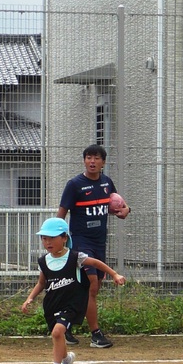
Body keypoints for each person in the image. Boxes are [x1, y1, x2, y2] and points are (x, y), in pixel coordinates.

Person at [21, 218, 126, 364]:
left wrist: (114, 274)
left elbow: (95, 263)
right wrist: (30, 298)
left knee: (57, 332)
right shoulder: (43, 261)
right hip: (52, 305)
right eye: (44, 238)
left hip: (72, 304)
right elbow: (42, 282)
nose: (47, 242)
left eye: (52, 238)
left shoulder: (75, 257)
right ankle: (66, 359)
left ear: (64, 238)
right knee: (58, 335)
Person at [57, 144, 130, 349]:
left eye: (96, 158)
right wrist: (57, 238)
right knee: (92, 285)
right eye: (88, 157)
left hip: (99, 242)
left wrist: (126, 210)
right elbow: (61, 213)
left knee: (86, 289)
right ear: (84, 161)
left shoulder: (107, 184)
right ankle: (95, 333)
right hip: (81, 241)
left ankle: (66, 323)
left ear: (103, 162)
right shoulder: (75, 185)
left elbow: (118, 206)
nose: (92, 161)